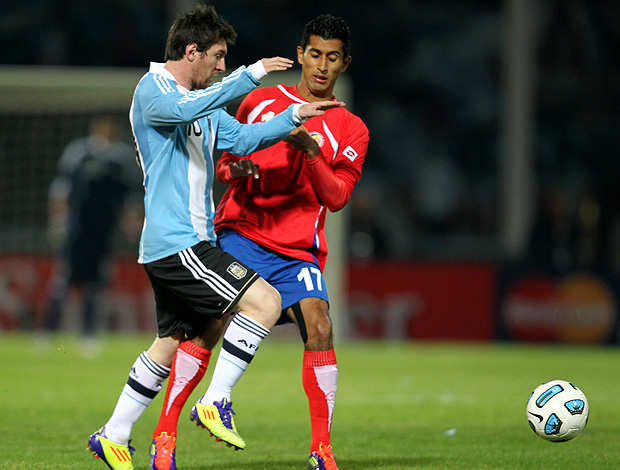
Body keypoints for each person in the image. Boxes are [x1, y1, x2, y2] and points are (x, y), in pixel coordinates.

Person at [85, 5, 344, 470]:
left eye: (228, 60)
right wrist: (252, 74)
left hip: (189, 242)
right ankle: (216, 400)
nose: (222, 65)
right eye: (218, 56)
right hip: (178, 243)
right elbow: (181, 110)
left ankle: (114, 432)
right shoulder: (154, 90)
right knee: (263, 302)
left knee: (169, 342)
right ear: (192, 51)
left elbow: (243, 139)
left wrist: (295, 115)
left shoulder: (202, 103)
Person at [151, 14, 368, 470]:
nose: (321, 66)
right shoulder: (263, 100)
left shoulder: (351, 129)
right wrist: (238, 170)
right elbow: (225, 161)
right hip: (241, 233)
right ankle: (164, 436)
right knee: (207, 327)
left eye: (332, 58)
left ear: (344, 64)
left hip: (295, 252)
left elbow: (338, 197)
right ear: (301, 53)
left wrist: (311, 153)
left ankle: (321, 450)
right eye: (314, 54)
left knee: (322, 325)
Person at [40, 114, 138, 354]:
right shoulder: (79, 152)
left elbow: (130, 195)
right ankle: (45, 333)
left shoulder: (120, 158)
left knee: (96, 283)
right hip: (76, 230)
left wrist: (131, 222)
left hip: (104, 231)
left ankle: (88, 335)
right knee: (62, 281)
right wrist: (58, 221)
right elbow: (61, 188)